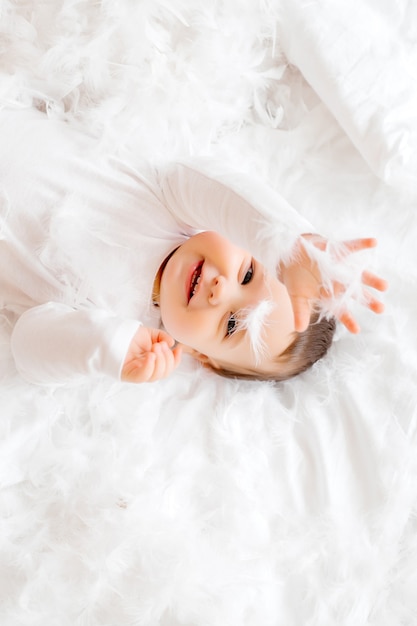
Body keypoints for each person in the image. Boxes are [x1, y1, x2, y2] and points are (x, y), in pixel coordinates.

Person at [0, 108, 386, 385]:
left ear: (203, 357)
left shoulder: (121, 322)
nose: (223, 290)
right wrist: (286, 244)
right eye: (249, 273)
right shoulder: (172, 200)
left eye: (233, 324)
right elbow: (222, 193)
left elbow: (28, 345)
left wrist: (106, 345)